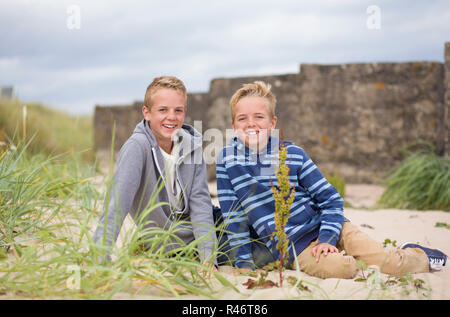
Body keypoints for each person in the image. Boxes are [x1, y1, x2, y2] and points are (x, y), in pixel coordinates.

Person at [215, 81, 447, 279]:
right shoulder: (227, 161)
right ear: (234, 126)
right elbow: (234, 216)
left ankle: (417, 254)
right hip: (294, 246)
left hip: (331, 226)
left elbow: (330, 199)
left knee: (391, 264)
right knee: (341, 269)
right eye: (242, 118)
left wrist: (328, 237)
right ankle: (350, 258)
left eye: (259, 117)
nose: (251, 124)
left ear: (272, 123)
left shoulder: (293, 154)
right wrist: (243, 263)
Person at [93, 76, 216, 268]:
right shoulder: (137, 148)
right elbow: (117, 205)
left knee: (243, 232)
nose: (171, 117)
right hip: (163, 241)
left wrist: (208, 258)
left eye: (178, 110)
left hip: (194, 235)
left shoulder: (192, 146)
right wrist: (99, 258)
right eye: (162, 110)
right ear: (147, 113)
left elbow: (200, 203)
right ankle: (146, 248)